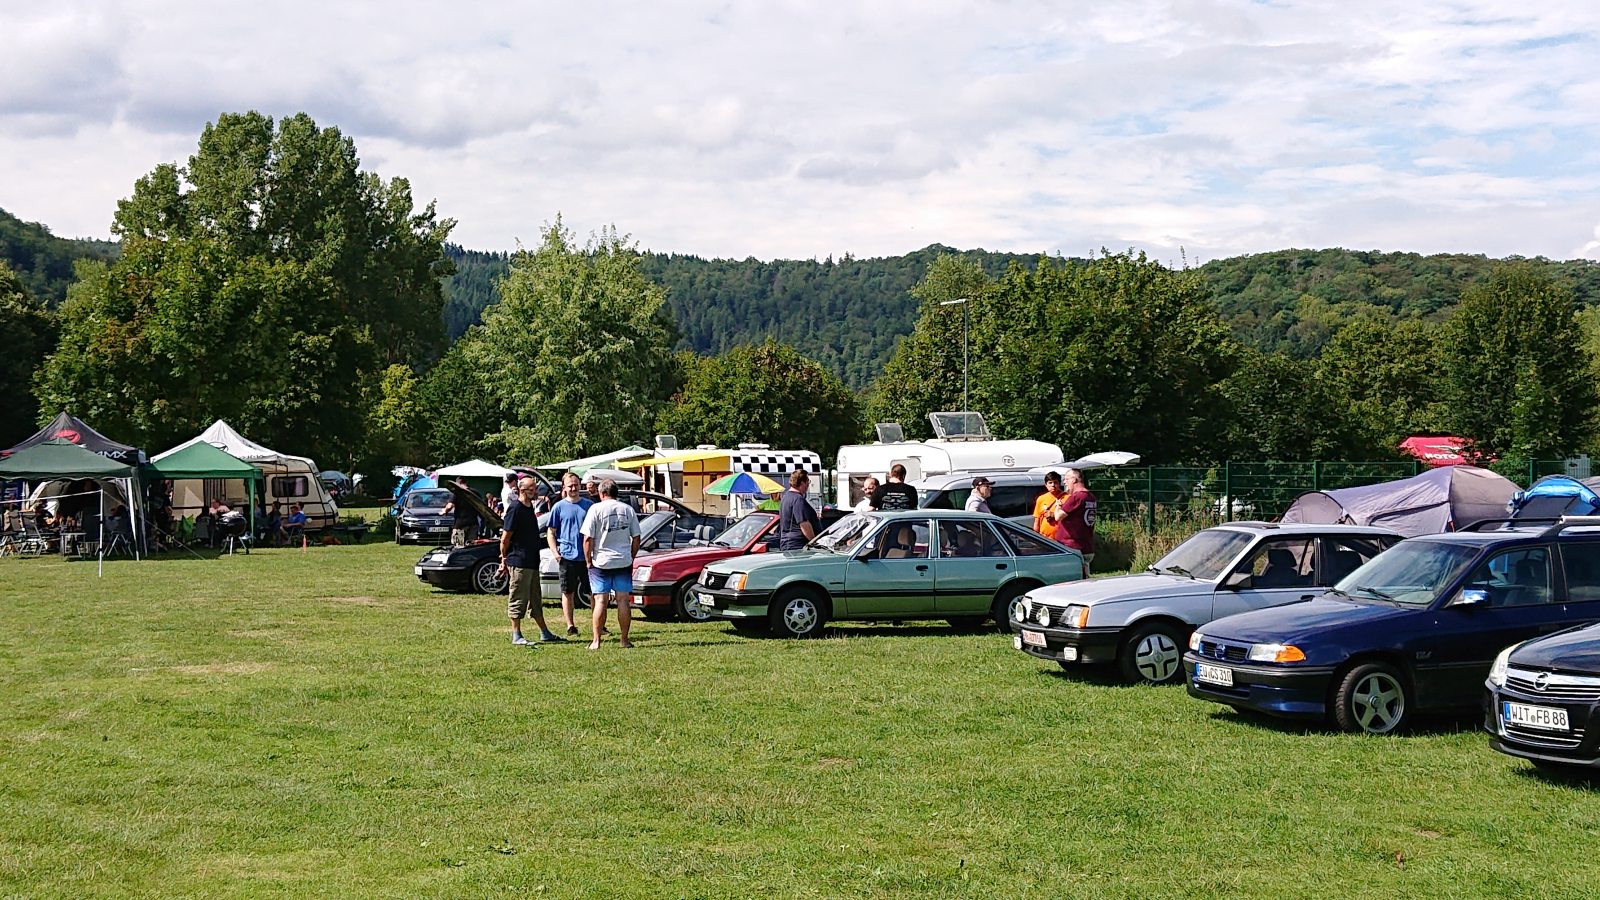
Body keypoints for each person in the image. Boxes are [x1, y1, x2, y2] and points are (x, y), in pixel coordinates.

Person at [498, 476, 564, 646]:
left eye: (535, 488)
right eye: (531, 489)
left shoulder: (529, 508)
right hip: (519, 561)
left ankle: (544, 632)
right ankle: (516, 635)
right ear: (522, 490)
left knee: (536, 599)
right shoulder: (515, 508)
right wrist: (504, 559)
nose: (535, 491)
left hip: (532, 561)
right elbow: (505, 538)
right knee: (518, 598)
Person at [581, 478, 641, 650]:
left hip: (601, 562)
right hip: (623, 560)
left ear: (601, 493)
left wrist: (588, 561)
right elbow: (636, 537)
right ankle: (624, 640)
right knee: (623, 600)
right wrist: (631, 555)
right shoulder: (627, 510)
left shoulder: (595, 509)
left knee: (600, 600)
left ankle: (596, 641)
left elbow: (587, 538)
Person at [545, 471, 594, 637]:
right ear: (564, 488)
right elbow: (551, 532)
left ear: (580, 485)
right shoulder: (558, 507)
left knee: (594, 592)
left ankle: (598, 624)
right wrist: (556, 553)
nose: (573, 488)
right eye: (570, 486)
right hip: (567, 557)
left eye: (576, 485)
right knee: (567, 592)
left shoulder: (589, 506)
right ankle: (570, 626)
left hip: (587, 557)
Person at [1051, 468, 1099, 570]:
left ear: (1074, 480)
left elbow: (1058, 516)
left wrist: (1058, 506)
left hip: (1071, 547)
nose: (1064, 482)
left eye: (1067, 479)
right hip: (1086, 546)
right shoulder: (1091, 497)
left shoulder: (1076, 497)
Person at [778, 470, 821, 551]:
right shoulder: (798, 499)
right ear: (802, 482)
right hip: (798, 546)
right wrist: (814, 542)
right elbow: (804, 524)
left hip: (787, 544)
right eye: (807, 481)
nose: (808, 484)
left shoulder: (786, 497)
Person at [1032, 472, 1068, 538]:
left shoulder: (1067, 498)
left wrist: (1053, 515)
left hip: (1062, 538)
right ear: (1046, 485)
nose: (1053, 485)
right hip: (1045, 538)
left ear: (1059, 484)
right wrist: (1035, 536)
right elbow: (1037, 520)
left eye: (1055, 482)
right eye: (1050, 483)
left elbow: (1072, 518)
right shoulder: (1041, 499)